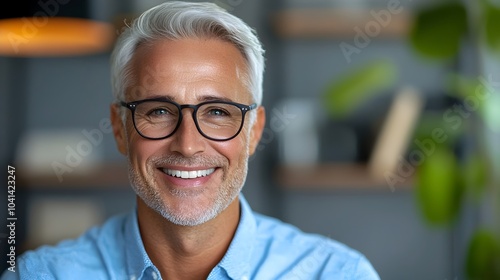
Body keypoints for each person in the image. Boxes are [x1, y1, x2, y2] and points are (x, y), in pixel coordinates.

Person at [1, 1, 380, 279]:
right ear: (119, 128)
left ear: (254, 131)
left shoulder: (336, 273)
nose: (187, 144)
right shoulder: (41, 276)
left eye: (217, 112)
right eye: (159, 111)